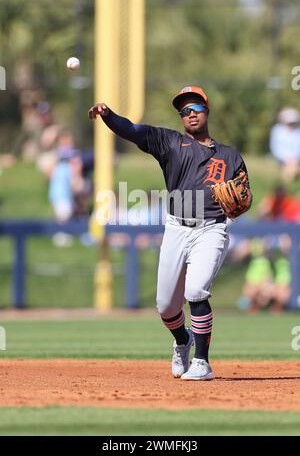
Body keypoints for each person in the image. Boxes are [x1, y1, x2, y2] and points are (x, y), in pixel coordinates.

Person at [88, 85, 253, 381]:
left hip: (211, 229)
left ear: (207, 110)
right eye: (184, 111)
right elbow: (133, 130)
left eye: (195, 108)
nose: (189, 114)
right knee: (166, 307)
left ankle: (202, 362)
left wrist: (242, 200)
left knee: (196, 291)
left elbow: (244, 195)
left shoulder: (229, 155)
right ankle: (182, 341)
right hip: (176, 228)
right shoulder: (170, 142)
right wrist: (108, 115)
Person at [269, 107, 300, 183]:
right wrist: (287, 159)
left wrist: (295, 159)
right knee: (290, 171)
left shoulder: (298, 131)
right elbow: (276, 148)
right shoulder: (277, 130)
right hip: (282, 161)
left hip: (296, 161)